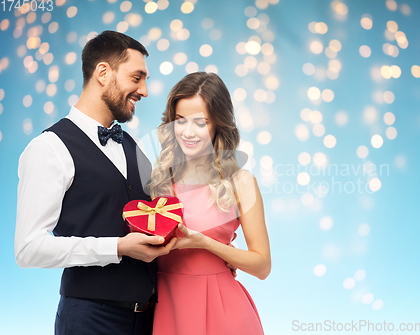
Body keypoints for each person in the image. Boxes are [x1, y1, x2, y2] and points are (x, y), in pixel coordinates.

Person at [14, 30, 177, 335]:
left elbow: (159, 216)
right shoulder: (48, 148)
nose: (144, 90)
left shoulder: (135, 145)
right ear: (103, 72)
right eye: (137, 77)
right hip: (90, 320)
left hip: (151, 319)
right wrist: (117, 247)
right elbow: (28, 249)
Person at [148, 72, 271, 335]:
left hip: (223, 313)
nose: (188, 132)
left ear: (218, 124)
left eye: (200, 123)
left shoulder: (241, 182)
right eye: (180, 121)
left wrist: (206, 244)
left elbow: (262, 266)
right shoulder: (157, 180)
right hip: (165, 308)